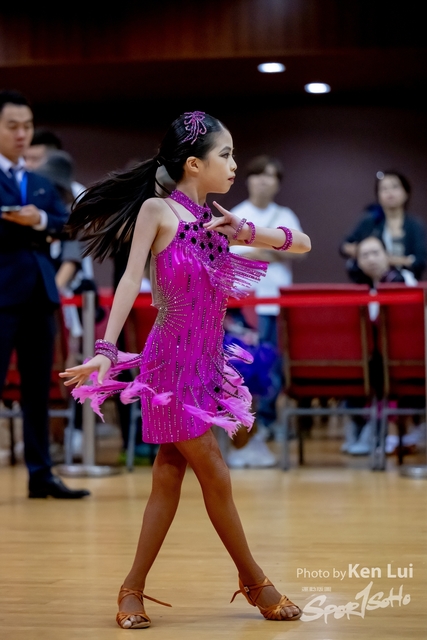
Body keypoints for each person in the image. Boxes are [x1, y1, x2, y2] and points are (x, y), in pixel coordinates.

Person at [60, 111, 311, 628]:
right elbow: (129, 279)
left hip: (206, 364)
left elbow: (303, 244)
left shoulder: (220, 224)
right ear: (194, 164)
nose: (234, 165)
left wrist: (247, 230)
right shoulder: (158, 210)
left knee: (168, 475)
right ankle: (255, 580)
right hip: (169, 364)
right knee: (213, 468)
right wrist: (106, 348)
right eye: (226, 155)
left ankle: (132, 589)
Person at [0, 89, 90, 499]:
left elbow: (66, 225)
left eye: (27, 126)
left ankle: (41, 474)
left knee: (38, 388)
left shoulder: (39, 182)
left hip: (39, 293)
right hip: (2, 293)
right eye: (12, 126)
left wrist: (38, 220)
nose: (21, 134)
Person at [227, 156, 304, 467]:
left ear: (278, 183)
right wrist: (268, 250)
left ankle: (268, 422)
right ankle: (243, 426)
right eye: (258, 175)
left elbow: (298, 250)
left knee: (272, 363)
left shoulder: (285, 215)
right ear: (248, 180)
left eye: (270, 176)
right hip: (241, 303)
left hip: (275, 303)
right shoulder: (237, 214)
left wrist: (260, 251)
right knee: (241, 364)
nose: (263, 181)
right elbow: (229, 254)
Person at [342, 235, 416, 455]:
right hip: (375, 356)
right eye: (365, 255)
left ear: (387, 256)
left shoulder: (401, 280)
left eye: (376, 253)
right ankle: (361, 425)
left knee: (380, 367)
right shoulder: (363, 289)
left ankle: (381, 430)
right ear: (358, 262)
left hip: (405, 356)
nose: (371, 259)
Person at [340, 170, 426, 283]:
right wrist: (367, 253)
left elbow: (420, 260)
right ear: (378, 195)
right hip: (372, 283)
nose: (389, 192)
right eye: (384, 189)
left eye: (394, 187)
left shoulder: (415, 225)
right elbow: (344, 246)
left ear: (406, 193)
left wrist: (388, 260)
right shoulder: (370, 221)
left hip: (407, 282)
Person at [24, 128, 86, 200]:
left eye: (35, 159)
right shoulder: (18, 189)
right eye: (24, 159)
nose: (27, 164)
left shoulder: (78, 193)